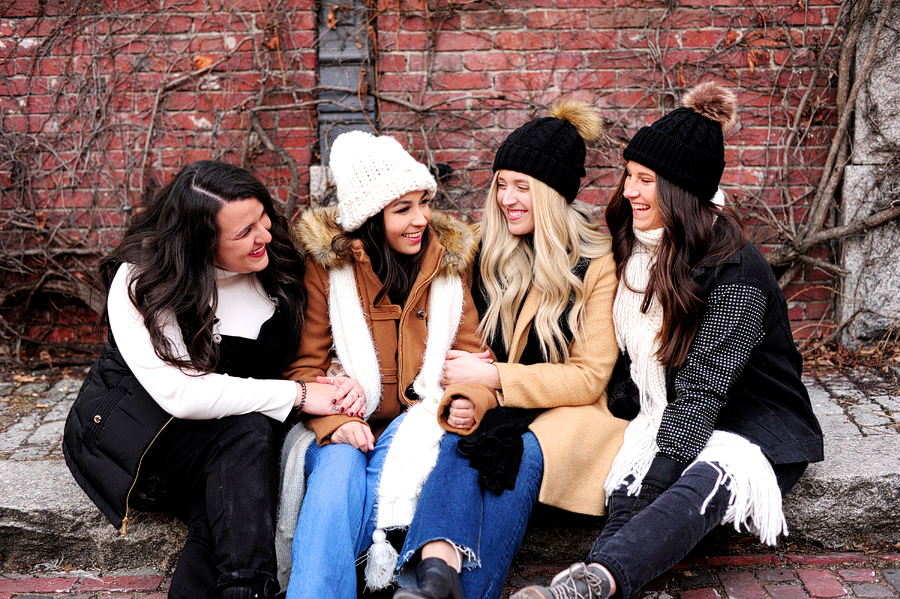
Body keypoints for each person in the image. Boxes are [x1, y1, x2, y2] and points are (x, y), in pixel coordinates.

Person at [513, 82, 824, 599]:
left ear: (680, 189)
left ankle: (597, 579)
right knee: (628, 482)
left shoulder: (736, 269)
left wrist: (657, 478)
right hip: (664, 410)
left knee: (685, 485)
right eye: (629, 176)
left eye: (645, 180)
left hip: (748, 421)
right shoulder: (633, 246)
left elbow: (705, 387)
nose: (628, 191)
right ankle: (592, 585)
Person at [62, 161, 365, 599]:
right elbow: (181, 394)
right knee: (248, 435)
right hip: (148, 436)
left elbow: (318, 339)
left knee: (224, 505)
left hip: (240, 437)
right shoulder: (145, 280)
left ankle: (243, 589)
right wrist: (299, 394)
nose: (264, 235)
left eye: (264, 219)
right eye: (244, 232)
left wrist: (339, 378)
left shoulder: (275, 257)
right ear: (200, 241)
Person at [390, 100, 630, 599]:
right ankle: (435, 576)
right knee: (467, 434)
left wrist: (496, 378)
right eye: (502, 183)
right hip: (493, 407)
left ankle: (434, 585)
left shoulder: (598, 264)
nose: (507, 199)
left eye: (523, 187)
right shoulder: (481, 249)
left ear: (553, 195)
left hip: (567, 412)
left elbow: (589, 376)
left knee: (514, 453)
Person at [276, 130, 488, 599]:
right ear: (371, 218)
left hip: (421, 423)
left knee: (395, 458)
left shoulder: (447, 266)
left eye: (423, 202)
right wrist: (333, 420)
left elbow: (474, 362)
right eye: (403, 209)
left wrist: (466, 401)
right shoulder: (329, 269)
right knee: (336, 470)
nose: (420, 220)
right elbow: (303, 369)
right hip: (350, 422)